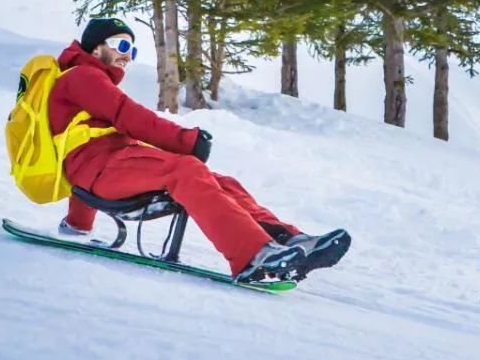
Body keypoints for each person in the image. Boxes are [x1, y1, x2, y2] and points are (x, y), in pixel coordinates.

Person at [49, 17, 350, 283]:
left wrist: (78, 225)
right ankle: (253, 253)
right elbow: (129, 119)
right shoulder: (81, 77)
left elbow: (92, 150)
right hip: (103, 170)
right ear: (93, 47)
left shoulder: (91, 82)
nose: (127, 57)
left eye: (132, 50)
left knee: (221, 181)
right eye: (120, 46)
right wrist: (185, 141)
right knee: (186, 169)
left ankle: (287, 240)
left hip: (110, 167)